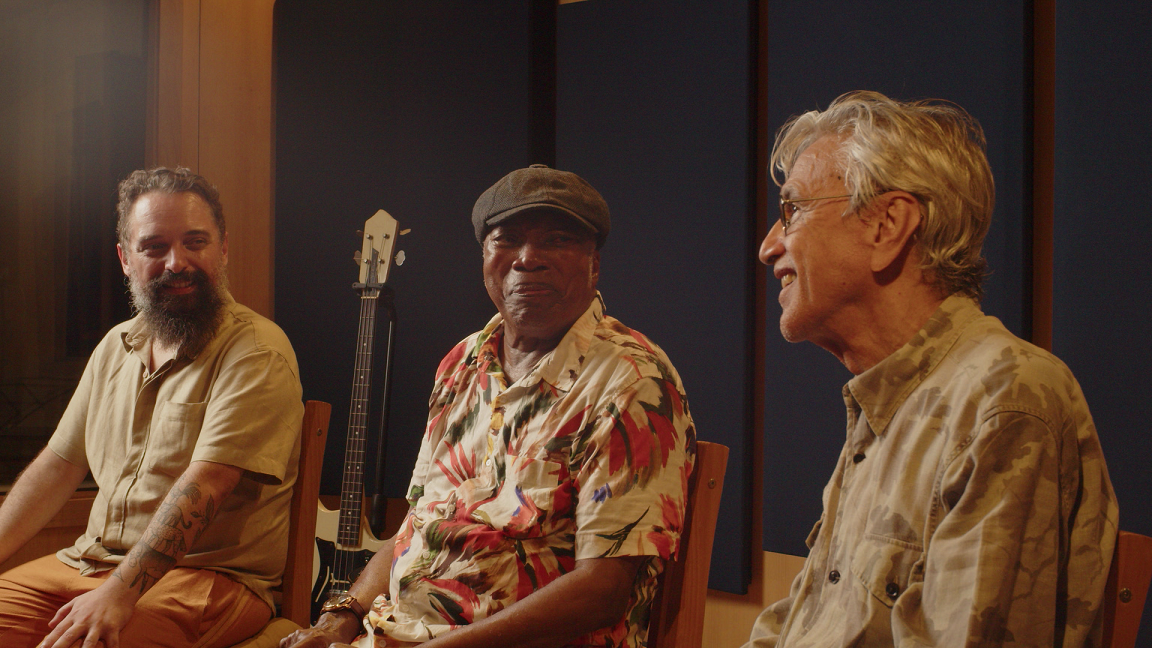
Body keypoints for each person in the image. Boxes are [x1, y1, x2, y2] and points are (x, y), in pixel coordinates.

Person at [745, 91, 1118, 647]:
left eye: (792, 209)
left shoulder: (1004, 398)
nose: (768, 246)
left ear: (887, 225)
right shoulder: (887, 403)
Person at [283, 164, 696, 648]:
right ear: (484, 256)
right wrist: (341, 618)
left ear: (594, 264)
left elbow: (604, 592)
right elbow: (414, 526)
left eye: (557, 240)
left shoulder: (631, 381)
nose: (527, 259)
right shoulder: (462, 362)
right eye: (507, 240)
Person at [0, 167, 305, 648]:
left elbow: (207, 484)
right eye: (154, 246)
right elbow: (57, 468)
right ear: (125, 258)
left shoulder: (257, 350)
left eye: (195, 242)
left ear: (223, 248)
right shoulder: (112, 347)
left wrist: (120, 593)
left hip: (207, 579)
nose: (176, 262)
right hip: (87, 563)